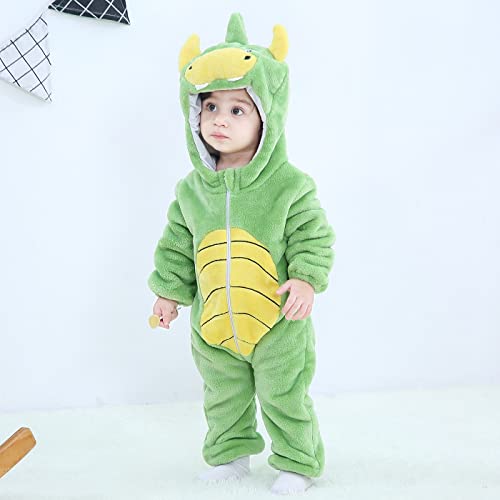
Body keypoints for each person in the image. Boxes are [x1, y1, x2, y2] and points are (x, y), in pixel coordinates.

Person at [148, 12, 335, 495]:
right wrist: (168, 294)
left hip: (277, 321)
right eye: (210, 106)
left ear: (266, 115)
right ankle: (230, 455)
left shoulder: (289, 185)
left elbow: (313, 235)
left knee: (284, 394)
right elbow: (176, 246)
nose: (219, 119)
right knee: (222, 395)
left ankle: (298, 461)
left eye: (238, 109)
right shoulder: (191, 191)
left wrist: (306, 279)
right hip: (214, 325)